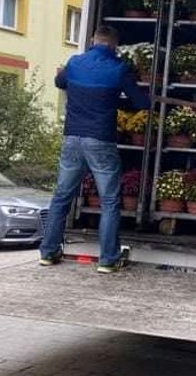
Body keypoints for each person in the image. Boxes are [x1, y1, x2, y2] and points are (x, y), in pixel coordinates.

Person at [39, 25, 151, 273]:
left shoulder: (75, 62)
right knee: (109, 200)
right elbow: (141, 102)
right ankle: (108, 259)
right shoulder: (119, 68)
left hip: (72, 138)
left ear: (93, 40)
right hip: (100, 139)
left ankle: (48, 252)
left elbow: (60, 81)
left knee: (61, 196)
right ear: (113, 45)